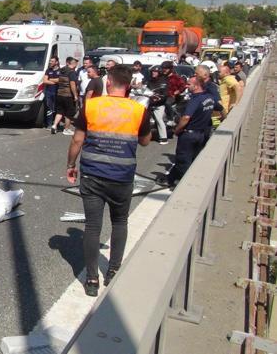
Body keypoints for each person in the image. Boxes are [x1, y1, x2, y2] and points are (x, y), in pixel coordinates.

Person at [66, 64, 152, 297]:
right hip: (122, 177)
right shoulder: (138, 110)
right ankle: (113, 270)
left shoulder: (92, 106)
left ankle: (91, 279)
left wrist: (71, 165)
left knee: (93, 226)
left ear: (109, 83)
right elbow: (145, 141)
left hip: (93, 174)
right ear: (129, 85)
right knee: (120, 222)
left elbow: (77, 140)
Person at [157, 77, 219, 188]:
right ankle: (170, 179)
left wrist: (177, 130)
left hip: (189, 135)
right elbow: (220, 108)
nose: (186, 86)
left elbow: (186, 118)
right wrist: (224, 119)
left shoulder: (195, 100)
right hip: (201, 134)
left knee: (183, 161)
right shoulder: (209, 98)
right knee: (192, 159)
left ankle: (185, 185)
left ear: (196, 86)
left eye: (188, 84)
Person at [51, 57, 79, 135]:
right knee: (69, 113)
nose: (76, 65)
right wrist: (75, 95)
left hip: (60, 94)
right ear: (72, 63)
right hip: (68, 95)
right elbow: (72, 84)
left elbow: (59, 80)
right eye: (75, 63)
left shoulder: (62, 70)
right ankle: (66, 129)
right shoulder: (72, 72)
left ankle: (54, 125)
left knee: (60, 111)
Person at [147, 67, 169, 145]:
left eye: (156, 72)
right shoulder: (149, 81)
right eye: (153, 71)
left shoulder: (163, 81)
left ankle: (164, 138)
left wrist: (159, 98)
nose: (154, 73)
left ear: (159, 73)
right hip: (149, 102)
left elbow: (165, 94)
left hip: (159, 104)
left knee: (159, 119)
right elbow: (146, 90)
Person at [42, 56, 60, 128]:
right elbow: (45, 80)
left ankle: (56, 124)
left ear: (56, 62)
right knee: (49, 108)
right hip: (49, 92)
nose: (50, 62)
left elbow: (60, 80)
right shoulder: (48, 70)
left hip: (57, 92)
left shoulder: (60, 70)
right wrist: (54, 81)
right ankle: (49, 124)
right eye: (50, 61)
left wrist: (51, 79)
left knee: (56, 108)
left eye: (52, 61)